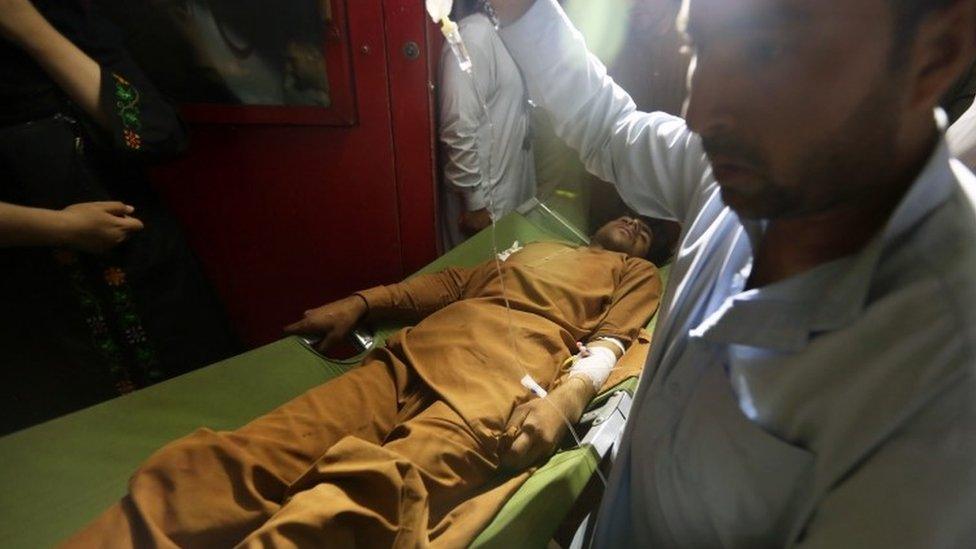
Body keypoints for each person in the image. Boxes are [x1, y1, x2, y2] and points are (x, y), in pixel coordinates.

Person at [485, 0, 976, 546]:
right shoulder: (748, 168)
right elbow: (610, 129)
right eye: (698, 46)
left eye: (767, 52)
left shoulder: (946, 382)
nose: (700, 114)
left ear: (937, 52)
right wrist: (524, 10)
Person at [62, 216, 664, 547]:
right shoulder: (533, 246)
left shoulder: (636, 273)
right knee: (239, 460)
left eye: (649, 230)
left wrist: (567, 397)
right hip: (403, 360)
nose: (636, 225)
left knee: (351, 505)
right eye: (627, 216)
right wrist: (361, 302)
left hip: (493, 395)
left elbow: (613, 341)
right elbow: (449, 287)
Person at [0, 0, 239, 434]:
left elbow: (149, 132)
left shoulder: (66, 21)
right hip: (39, 308)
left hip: (147, 280)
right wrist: (62, 228)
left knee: (205, 428)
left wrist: (28, 29)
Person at [438, 0, 536, 250]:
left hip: (508, 202)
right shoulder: (472, 36)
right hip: (485, 210)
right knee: (480, 284)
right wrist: (475, 205)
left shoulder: (505, 36)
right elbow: (457, 126)